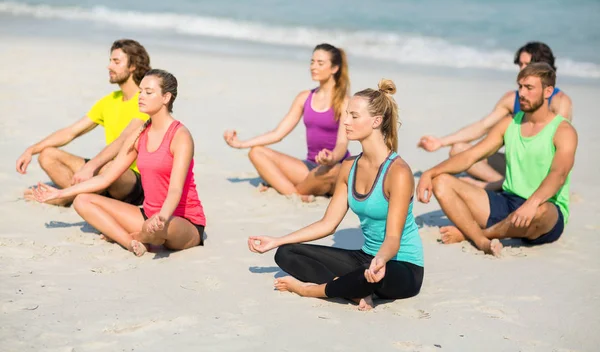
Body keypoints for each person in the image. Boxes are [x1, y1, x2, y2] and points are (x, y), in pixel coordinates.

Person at [248, 80, 424, 311]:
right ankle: (353, 290)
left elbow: (393, 239)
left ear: (376, 121)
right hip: (366, 257)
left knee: (367, 275)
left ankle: (310, 289)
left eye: (353, 116)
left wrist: (380, 260)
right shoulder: (349, 166)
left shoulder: (398, 172)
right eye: (346, 114)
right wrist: (277, 240)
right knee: (287, 254)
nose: (346, 121)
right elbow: (328, 223)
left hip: (400, 266)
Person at [32, 69, 206, 257]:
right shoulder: (139, 134)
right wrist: (61, 193)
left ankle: (140, 235)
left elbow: (175, 190)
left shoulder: (180, 136)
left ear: (166, 97)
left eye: (149, 92)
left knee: (152, 227)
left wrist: (162, 217)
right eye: (140, 91)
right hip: (148, 216)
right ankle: (131, 242)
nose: (141, 96)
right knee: (82, 200)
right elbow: (106, 178)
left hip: (182, 221)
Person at [417, 63, 577, 257]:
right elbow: (471, 155)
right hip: (508, 202)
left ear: (548, 91)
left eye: (529, 88)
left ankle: (476, 234)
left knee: (542, 212)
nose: (522, 93)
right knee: (441, 182)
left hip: (544, 211)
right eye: (520, 86)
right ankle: (481, 241)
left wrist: (532, 203)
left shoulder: (563, 130)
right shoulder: (510, 123)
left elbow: (558, 174)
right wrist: (430, 172)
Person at [417, 42, 573, 189]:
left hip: (539, 168)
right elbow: (483, 126)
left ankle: (494, 186)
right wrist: (440, 142)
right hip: (514, 162)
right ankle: (500, 184)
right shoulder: (512, 98)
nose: (521, 69)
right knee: (458, 150)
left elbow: (558, 151)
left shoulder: (560, 102)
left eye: (527, 64)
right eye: (520, 64)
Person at [17, 39, 152, 206]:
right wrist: (32, 149)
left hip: (132, 178)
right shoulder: (109, 101)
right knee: (47, 155)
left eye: (116, 61)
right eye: (110, 61)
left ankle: (66, 196)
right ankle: (79, 195)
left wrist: (91, 166)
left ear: (133, 66)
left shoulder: (145, 100)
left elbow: (124, 140)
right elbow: (71, 132)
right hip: (104, 169)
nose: (109, 66)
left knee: (107, 167)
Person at [223, 43, 350, 200]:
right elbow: (278, 134)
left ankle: (284, 187)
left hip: (334, 167)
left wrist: (331, 157)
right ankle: (296, 194)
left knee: (333, 170)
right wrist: (241, 144)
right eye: (312, 62)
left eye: (320, 63)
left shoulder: (345, 103)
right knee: (256, 152)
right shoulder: (304, 97)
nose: (313, 67)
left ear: (334, 68)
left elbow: (342, 144)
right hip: (309, 168)